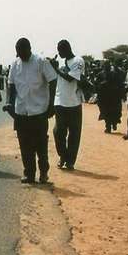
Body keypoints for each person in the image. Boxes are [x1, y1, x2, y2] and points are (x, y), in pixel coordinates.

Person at [7, 38, 58, 184]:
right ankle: (29, 173)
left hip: (39, 111)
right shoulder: (15, 64)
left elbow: (53, 81)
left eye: (22, 51)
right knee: (24, 145)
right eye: (18, 52)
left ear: (29, 49)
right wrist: (9, 103)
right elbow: (11, 85)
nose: (20, 55)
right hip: (21, 111)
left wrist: (51, 105)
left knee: (41, 144)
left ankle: (43, 173)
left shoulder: (41, 62)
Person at [51, 40, 84, 170]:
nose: (59, 53)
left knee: (74, 134)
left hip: (74, 102)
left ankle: (70, 161)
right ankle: (63, 156)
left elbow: (71, 78)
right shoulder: (60, 62)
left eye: (60, 51)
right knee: (58, 132)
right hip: (60, 102)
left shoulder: (78, 61)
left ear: (66, 49)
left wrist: (56, 68)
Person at [96, 61, 124, 133]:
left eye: (108, 66)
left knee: (114, 111)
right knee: (106, 112)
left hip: (114, 97)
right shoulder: (100, 75)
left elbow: (120, 84)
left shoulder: (115, 74)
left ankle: (114, 123)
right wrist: (102, 84)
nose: (107, 67)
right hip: (104, 97)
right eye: (105, 66)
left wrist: (121, 94)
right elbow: (96, 85)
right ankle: (108, 126)